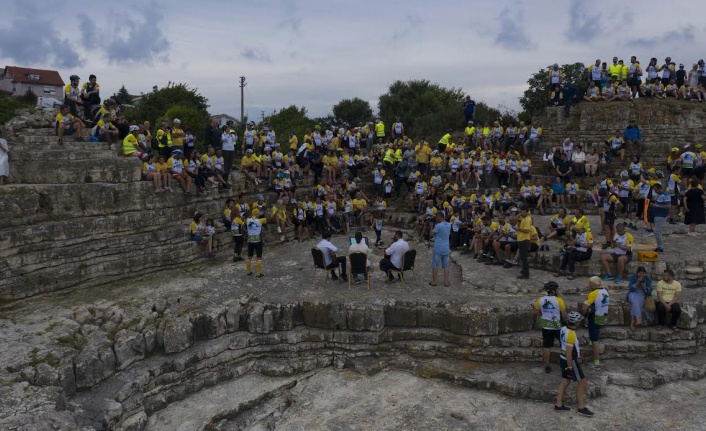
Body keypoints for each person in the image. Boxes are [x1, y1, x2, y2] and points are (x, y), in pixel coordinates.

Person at [554, 311, 593, 416]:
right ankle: (581, 407)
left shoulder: (563, 329)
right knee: (582, 382)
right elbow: (568, 352)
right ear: (576, 323)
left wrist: (578, 352)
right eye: (579, 321)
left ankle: (558, 405)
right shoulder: (571, 334)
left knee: (565, 381)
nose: (580, 323)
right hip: (570, 361)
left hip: (562, 358)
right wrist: (570, 367)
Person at [533, 281, 567, 374]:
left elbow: (535, 313)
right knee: (563, 345)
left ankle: (547, 366)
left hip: (546, 326)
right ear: (554, 290)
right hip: (557, 326)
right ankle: (565, 364)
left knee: (547, 346)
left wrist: (542, 312)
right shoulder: (559, 300)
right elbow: (564, 315)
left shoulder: (540, 300)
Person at [581, 276, 610, 368]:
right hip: (603, 316)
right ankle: (591, 341)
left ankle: (596, 362)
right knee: (595, 331)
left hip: (595, 317)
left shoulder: (593, 293)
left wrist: (583, 315)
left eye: (590, 283)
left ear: (594, 284)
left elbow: (585, 306)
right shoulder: (605, 291)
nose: (589, 285)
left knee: (595, 340)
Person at [627, 266, 653, 331]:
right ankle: (639, 319)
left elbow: (649, 292)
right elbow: (630, 288)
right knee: (634, 301)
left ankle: (632, 324)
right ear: (637, 273)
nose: (641, 275)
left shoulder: (647, 278)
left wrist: (645, 288)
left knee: (636, 304)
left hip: (641, 294)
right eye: (640, 273)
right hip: (633, 293)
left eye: (643, 273)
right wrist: (637, 283)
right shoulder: (633, 277)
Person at [429, 211, 451, 287]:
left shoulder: (438, 226)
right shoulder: (449, 225)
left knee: (435, 265)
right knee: (446, 266)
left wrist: (431, 226)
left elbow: (431, 234)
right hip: (446, 247)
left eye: (436, 217)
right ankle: (446, 282)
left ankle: (434, 282)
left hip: (438, 247)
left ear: (439, 216)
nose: (436, 218)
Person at [245, 208, 267, 278]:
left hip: (250, 241)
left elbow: (247, 218)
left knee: (249, 256)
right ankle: (258, 273)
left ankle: (248, 272)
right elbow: (267, 219)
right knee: (259, 257)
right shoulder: (260, 221)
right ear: (258, 214)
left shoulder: (248, 220)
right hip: (257, 241)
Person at [649, 183, 670, 252]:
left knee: (657, 231)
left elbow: (668, 206)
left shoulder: (665, 195)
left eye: (656, 190)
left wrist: (656, 206)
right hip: (657, 214)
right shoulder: (659, 195)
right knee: (658, 231)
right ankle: (659, 246)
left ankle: (660, 247)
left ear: (660, 188)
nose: (655, 191)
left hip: (661, 215)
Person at [516, 206, 532, 279]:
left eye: (524, 212)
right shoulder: (523, 218)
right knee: (522, 257)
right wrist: (519, 213)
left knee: (524, 258)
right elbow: (515, 219)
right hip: (521, 239)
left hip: (524, 240)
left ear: (527, 212)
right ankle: (523, 271)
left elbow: (527, 230)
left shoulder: (527, 219)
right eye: (521, 212)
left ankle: (526, 274)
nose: (522, 213)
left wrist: (518, 228)